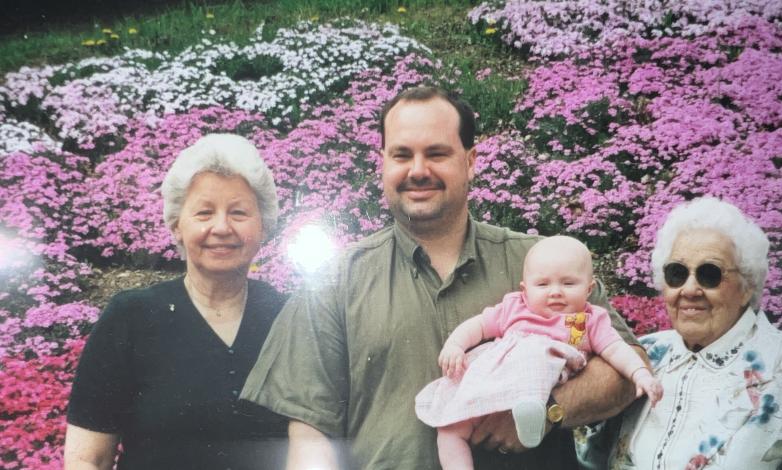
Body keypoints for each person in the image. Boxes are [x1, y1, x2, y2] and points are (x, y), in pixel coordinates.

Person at [241, 86, 647, 469]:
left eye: (436, 153)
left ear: (470, 162)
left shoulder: (541, 265)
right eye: (402, 155)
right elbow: (310, 431)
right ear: (382, 161)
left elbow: (627, 372)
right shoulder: (335, 282)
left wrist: (550, 409)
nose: (418, 170)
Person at [64, 134, 289, 469]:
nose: (221, 227)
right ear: (176, 226)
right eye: (204, 212)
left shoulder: (288, 317)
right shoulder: (131, 318)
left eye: (239, 212)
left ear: (263, 226)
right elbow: (88, 459)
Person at [608, 197, 782, 469]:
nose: (689, 290)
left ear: (747, 285)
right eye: (677, 273)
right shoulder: (645, 355)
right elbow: (592, 459)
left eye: (709, 274)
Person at [415, 236, 662, 470]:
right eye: (543, 284)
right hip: (493, 381)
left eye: (568, 283)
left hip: (542, 375)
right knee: (448, 426)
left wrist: (640, 374)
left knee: (535, 353)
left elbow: (616, 349)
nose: (555, 291)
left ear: (589, 289)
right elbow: (478, 326)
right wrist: (455, 346)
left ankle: (532, 411)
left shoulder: (585, 321)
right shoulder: (514, 307)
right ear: (525, 290)